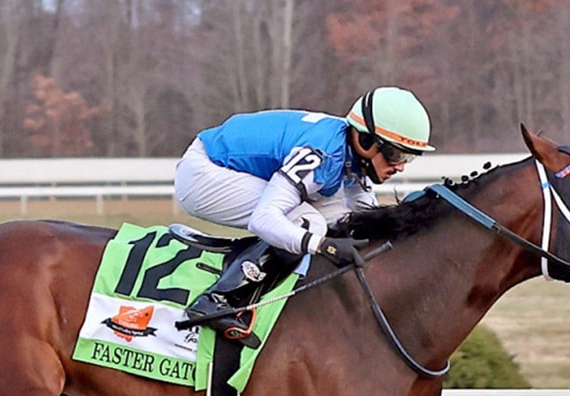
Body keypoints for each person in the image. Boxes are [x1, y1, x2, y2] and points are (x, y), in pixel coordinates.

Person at [174, 86, 435, 345]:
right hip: (203, 172)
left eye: (408, 157)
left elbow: (362, 218)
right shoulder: (323, 153)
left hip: (236, 166)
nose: (399, 166)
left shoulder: (351, 153)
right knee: (310, 223)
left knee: (345, 221)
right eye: (395, 154)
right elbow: (264, 219)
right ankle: (218, 299)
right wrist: (324, 246)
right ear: (365, 141)